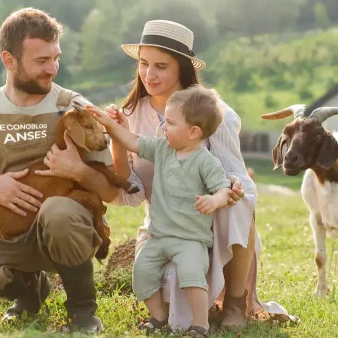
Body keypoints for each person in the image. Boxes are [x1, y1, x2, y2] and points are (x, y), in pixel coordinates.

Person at [0, 8, 119, 333]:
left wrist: (81, 172)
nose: (53, 69)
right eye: (41, 61)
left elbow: (113, 191)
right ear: (9, 60)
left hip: (64, 231)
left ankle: (83, 310)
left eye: (55, 58)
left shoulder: (74, 108)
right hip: (5, 231)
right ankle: (28, 291)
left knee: (58, 212)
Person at [106, 20, 296, 330]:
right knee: (164, 284)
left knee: (239, 200)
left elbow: (238, 179)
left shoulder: (213, 114)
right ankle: (171, 314)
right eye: (143, 64)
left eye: (161, 66)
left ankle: (236, 302)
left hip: (208, 223)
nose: (149, 74)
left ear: (181, 68)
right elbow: (131, 193)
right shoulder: (131, 115)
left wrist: (231, 187)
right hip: (163, 224)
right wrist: (117, 137)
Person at [92, 85, 233, 337]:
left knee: (192, 274)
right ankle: (158, 318)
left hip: (190, 239)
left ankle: (200, 324)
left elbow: (224, 189)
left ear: (193, 132)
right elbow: (132, 141)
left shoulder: (205, 161)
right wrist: (110, 125)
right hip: (159, 236)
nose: (162, 127)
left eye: (169, 122)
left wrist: (215, 200)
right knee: (142, 272)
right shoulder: (162, 149)